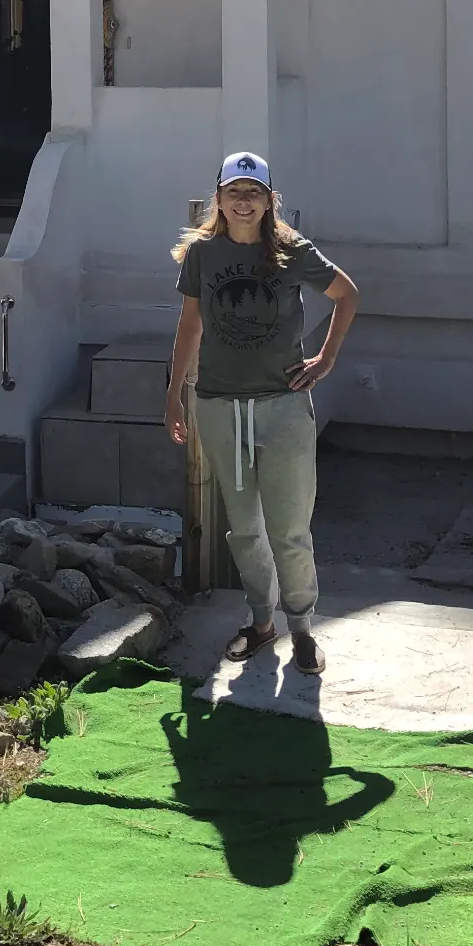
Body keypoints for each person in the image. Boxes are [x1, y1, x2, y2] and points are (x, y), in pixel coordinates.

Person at [165, 151, 358, 673]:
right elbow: (190, 325)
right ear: (219, 200)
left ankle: (301, 628)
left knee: (290, 528)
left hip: (284, 407)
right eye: (234, 192)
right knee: (244, 528)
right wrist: (174, 392)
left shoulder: (292, 250)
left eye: (254, 192)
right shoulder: (203, 254)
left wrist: (326, 358)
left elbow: (347, 294)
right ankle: (260, 622)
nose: (244, 201)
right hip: (219, 406)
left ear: (270, 200)